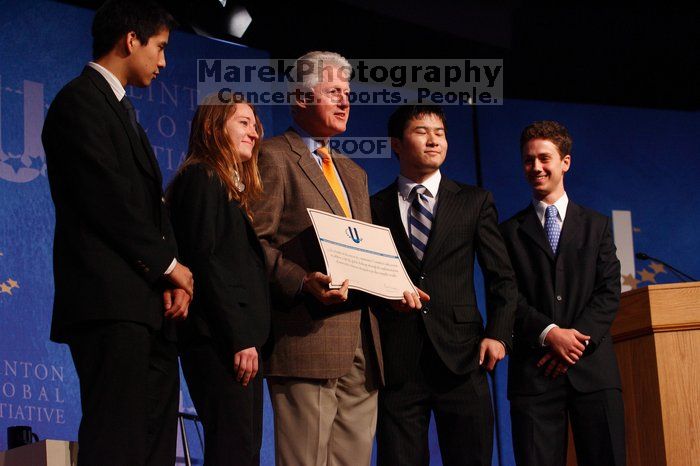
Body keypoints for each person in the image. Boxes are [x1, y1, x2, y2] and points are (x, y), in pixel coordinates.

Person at [250, 51, 423, 466]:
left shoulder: (354, 172)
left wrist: (393, 287)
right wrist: (300, 279)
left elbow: (362, 250)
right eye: (333, 92)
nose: (345, 101)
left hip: (363, 344)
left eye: (347, 92)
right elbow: (253, 241)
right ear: (301, 98)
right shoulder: (273, 156)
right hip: (307, 340)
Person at [41, 1, 193, 465]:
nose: (164, 62)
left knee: (153, 446)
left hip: (147, 308)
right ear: (131, 39)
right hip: (109, 306)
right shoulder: (79, 101)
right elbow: (106, 200)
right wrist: (170, 266)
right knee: (117, 441)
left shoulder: (121, 109)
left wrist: (172, 278)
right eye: (161, 47)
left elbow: (148, 207)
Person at [370, 104, 517, 466]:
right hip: (398, 359)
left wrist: (498, 335)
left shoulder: (474, 201)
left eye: (440, 132)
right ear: (396, 144)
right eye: (421, 131)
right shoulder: (373, 205)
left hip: (463, 357)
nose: (434, 139)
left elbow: (503, 277)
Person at [499, 120, 625, 466]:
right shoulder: (507, 232)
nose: (536, 167)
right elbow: (508, 296)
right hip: (534, 374)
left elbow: (608, 291)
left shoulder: (596, 225)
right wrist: (550, 334)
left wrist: (574, 343)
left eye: (544, 158)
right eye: (528, 160)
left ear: (565, 162)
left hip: (593, 372)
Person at [167, 94, 270, 466]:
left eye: (255, 124)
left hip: (232, 341)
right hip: (220, 341)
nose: (255, 132)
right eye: (243, 122)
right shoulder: (202, 177)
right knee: (234, 449)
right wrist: (239, 337)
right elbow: (204, 264)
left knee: (243, 449)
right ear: (213, 128)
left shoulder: (224, 187)